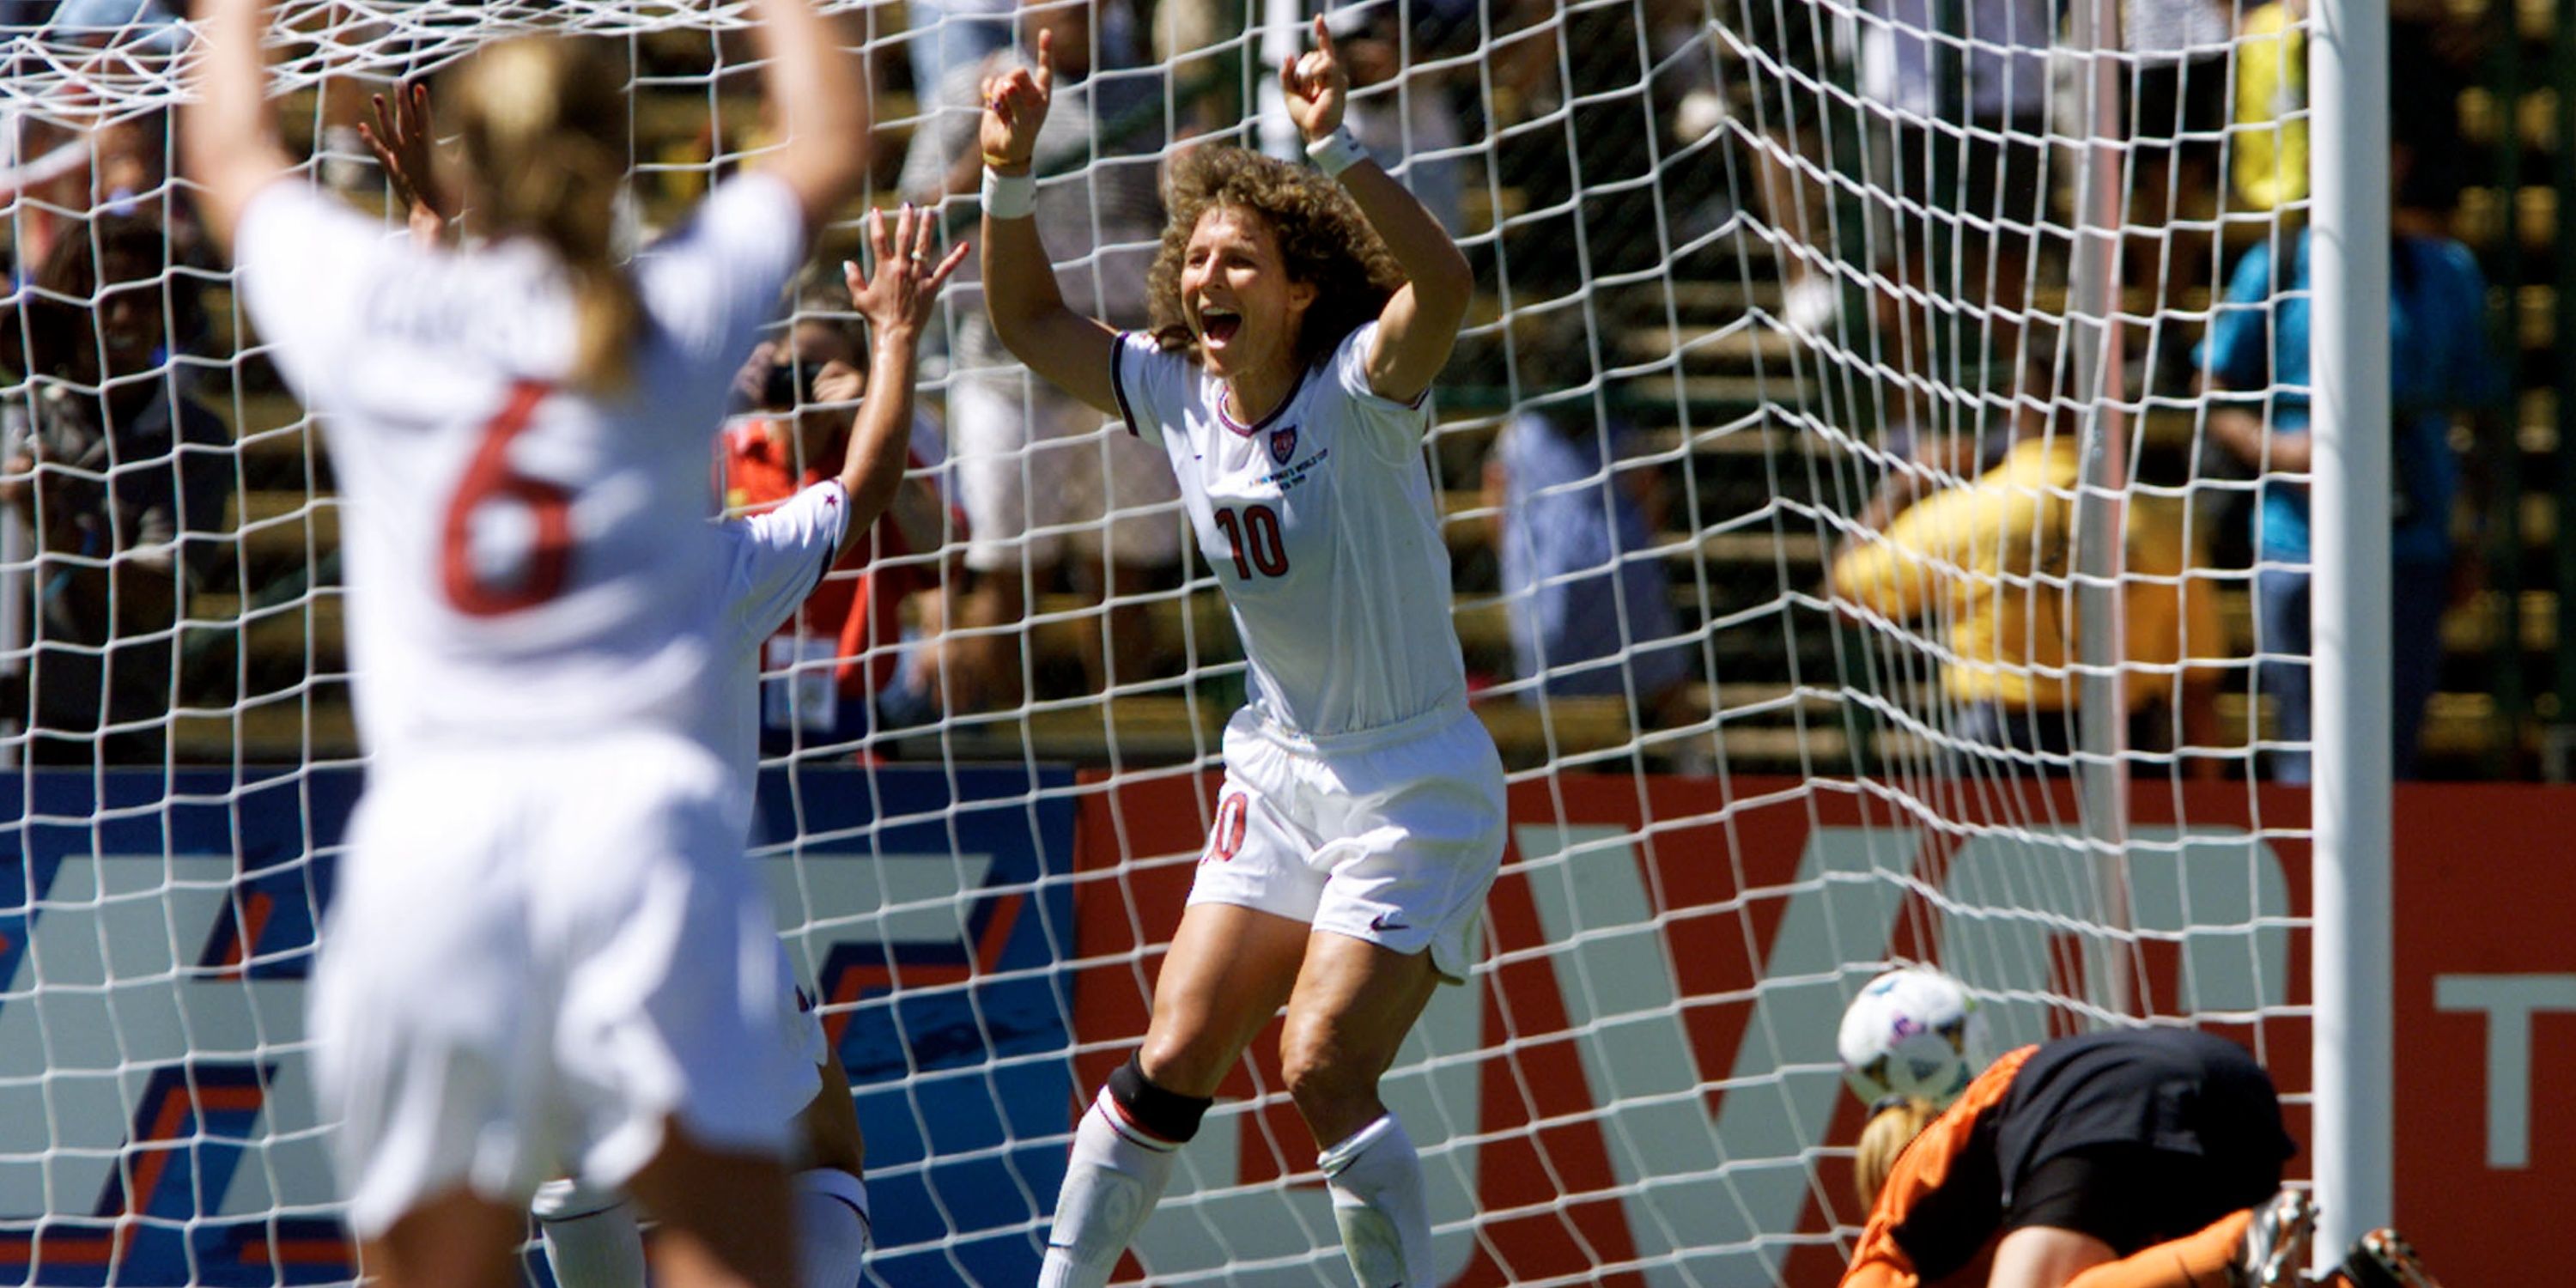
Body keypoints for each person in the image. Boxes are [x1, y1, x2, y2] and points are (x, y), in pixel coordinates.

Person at [183, 2, 868, 1286]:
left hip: (433, 847)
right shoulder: (669, 307)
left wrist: (236, 13)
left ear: (460, 168)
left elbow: (228, 152)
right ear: (615, 162)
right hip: (643, 837)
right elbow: (829, 134)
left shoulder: (378, 308)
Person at [352, 81, 968, 1287]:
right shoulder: (718, 565)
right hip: (679, 930)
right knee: (817, 1137)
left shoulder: (466, 547)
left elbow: (427, 388)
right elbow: (877, 476)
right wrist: (894, 336)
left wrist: (429, 219)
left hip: (491, 930)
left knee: (522, 1201)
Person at [980, 18, 1498, 1288]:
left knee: (1319, 1061)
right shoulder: (1175, 391)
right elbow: (1031, 320)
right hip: (1276, 769)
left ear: (1302, 287)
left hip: (1414, 783)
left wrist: (1341, 150)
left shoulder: (1363, 391)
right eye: (1196, 257)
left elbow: (1448, 289)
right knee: (1175, 1057)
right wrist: (1007, 174)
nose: (1209, 275)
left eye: (1242, 258)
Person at [902, 0, 1177, 709]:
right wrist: (992, 146)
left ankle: (1125, 749)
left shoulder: (1150, 91)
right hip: (1001, 372)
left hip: (1123, 369)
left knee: (1124, 576)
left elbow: (1173, 215)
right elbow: (918, 215)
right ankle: (1001, 750)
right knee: (1003, 573)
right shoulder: (966, 88)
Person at [2199, 142, 2502, 783]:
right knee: (2306, 745)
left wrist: (2472, 537)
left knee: (2392, 748)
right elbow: (2213, 392)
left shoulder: (2446, 272)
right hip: (2297, 543)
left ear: (2400, 163)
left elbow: (2481, 415)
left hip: (2411, 544)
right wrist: (2279, 449)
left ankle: (2387, 882)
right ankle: (2314, 880)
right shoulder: (2276, 265)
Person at [1843, 1024, 2441, 1288]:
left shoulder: (1895, 1231)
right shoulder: (1983, 1198)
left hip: (2096, 1094)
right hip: (2236, 1087)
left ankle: (2231, 1246)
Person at [0, 213, 230, 767]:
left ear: (170, 313)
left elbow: (157, 601)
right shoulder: (14, 418)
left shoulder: (192, 439)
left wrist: (60, 531)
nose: (123, 316)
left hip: (119, 737)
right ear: (67, 310)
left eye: (143, 298)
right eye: (104, 297)